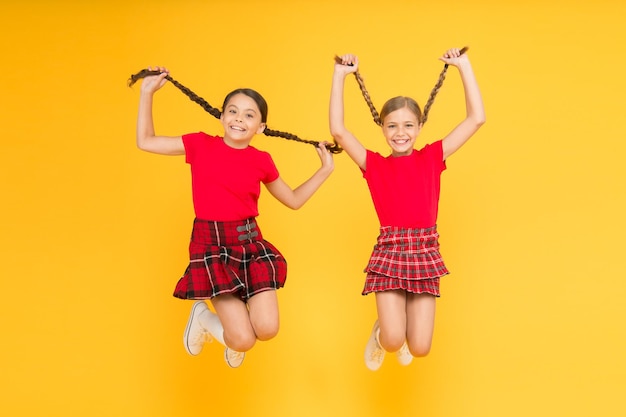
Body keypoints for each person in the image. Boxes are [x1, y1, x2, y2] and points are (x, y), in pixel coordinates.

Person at [133, 66, 334, 368]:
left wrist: (324, 171)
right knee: (242, 340)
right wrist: (147, 93)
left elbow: (292, 200)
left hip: (251, 247)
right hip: (212, 248)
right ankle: (203, 319)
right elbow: (146, 141)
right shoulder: (201, 144)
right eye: (233, 111)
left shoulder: (261, 160)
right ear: (222, 116)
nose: (239, 119)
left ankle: (229, 325)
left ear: (261, 127)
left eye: (249, 115)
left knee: (267, 329)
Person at [329, 48, 485, 371]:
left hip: (425, 250)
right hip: (390, 249)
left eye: (408, 125)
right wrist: (340, 75)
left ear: (419, 126)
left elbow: (476, 119)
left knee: (421, 347)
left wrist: (463, 65)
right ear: (382, 128)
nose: (400, 133)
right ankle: (382, 333)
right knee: (392, 341)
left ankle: (391, 331)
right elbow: (339, 131)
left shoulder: (432, 157)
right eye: (392, 126)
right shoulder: (373, 163)